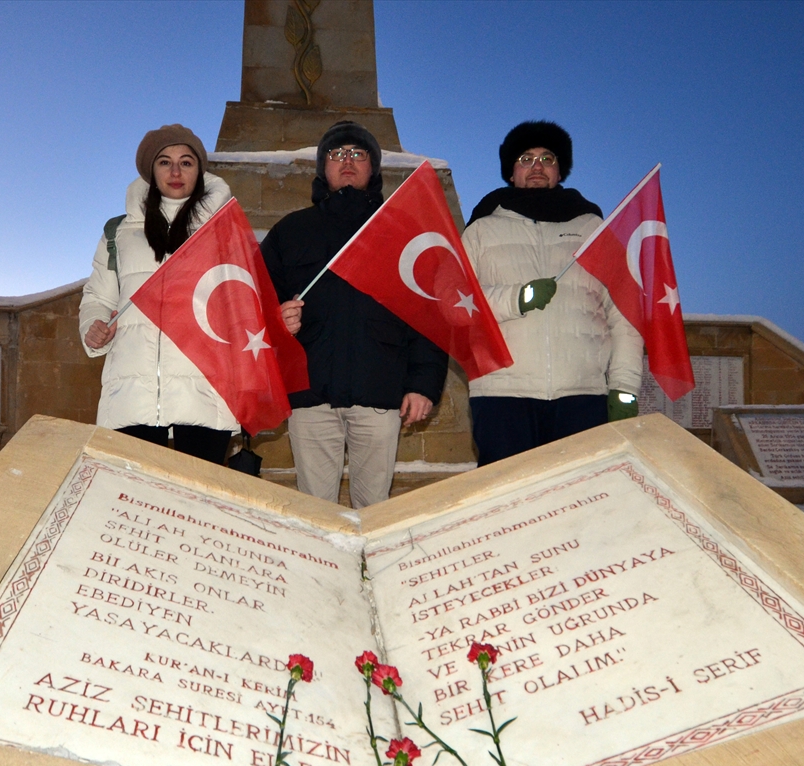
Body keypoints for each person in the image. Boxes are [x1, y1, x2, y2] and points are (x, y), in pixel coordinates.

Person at [262, 121, 448, 508]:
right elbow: (255, 304)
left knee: (375, 509)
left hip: (380, 392)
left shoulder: (401, 232)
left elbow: (430, 314)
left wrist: (424, 384)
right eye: (336, 154)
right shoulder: (291, 231)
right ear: (322, 168)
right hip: (309, 394)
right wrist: (278, 320)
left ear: (373, 167)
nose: (347, 161)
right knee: (316, 511)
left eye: (357, 154)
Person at [463, 120, 644, 466]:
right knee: (506, 499)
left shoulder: (592, 229)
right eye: (526, 158)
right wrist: (517, 298)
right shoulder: (481, 230)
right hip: (503, 393)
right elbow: (454, 302)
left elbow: (624, 314)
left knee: (579, 501)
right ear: (511, 172)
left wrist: (623, 386)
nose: (536, 167)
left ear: (560, 171)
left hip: (582, 395)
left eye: (547, 159)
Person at [79, 124, 237, 464]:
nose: (176, 171)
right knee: (137, 506)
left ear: (200, 169)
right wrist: (94, 326)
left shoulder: (224, 230)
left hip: (204, 390)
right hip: (133, 391)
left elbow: (240, 302)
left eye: (186, 162)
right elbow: (99, 298)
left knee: (198, 503)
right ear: (151, 171)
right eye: (165, 162)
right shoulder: (118, 232)